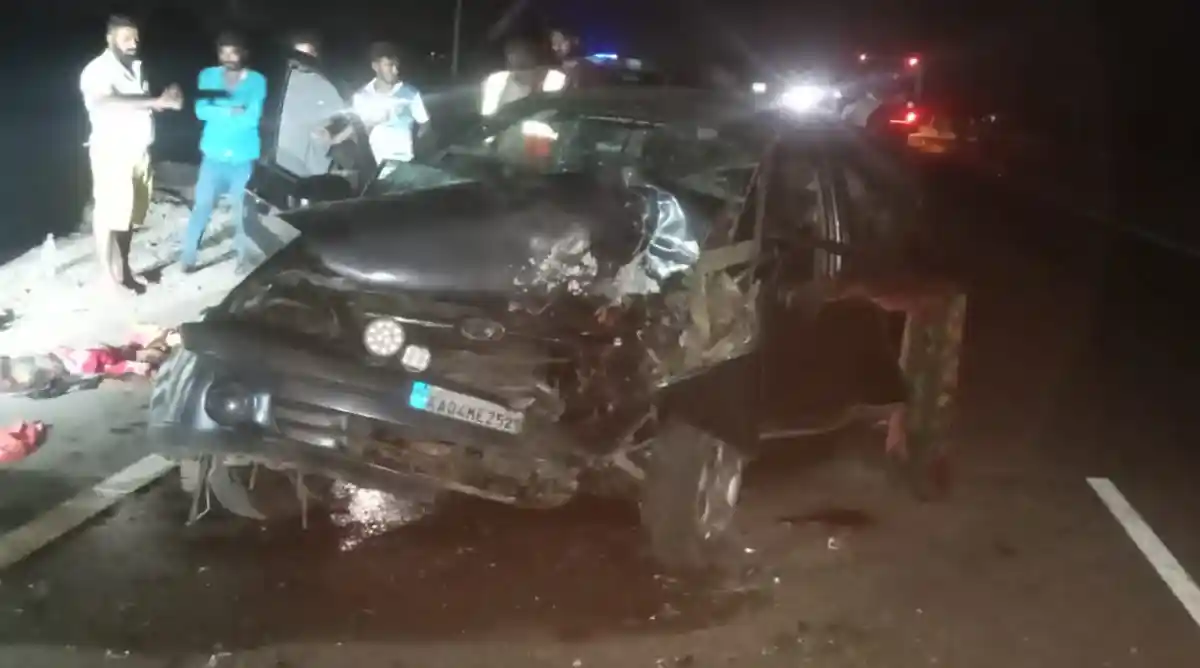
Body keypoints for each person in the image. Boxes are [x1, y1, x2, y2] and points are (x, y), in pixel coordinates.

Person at [79, 14, 183, 296]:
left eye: (135, 38)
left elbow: (139, 104)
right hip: (112, 152)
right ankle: (107, 277)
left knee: (128, 217)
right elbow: (105, 102)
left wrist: (165, 100)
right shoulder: (97, 70)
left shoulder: (137, 67)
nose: (133, 43)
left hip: (140, 152)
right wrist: (154, 100)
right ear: (109, 38)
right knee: (108, 213)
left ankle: (122, 269)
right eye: (126, 38)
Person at [179, 30, 267, 275]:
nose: (228, 57)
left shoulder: (257, 80)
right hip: (213, 155)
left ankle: (244, 260)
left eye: (234, 52)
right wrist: (231, 109)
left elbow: (252, 117)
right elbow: (200, 111)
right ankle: (188, 258)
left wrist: (218, 108)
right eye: (223, 52)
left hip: (243, 157)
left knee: (242, 213)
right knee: (202, 206)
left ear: (244, 54)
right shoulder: (207, 75)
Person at [481, 38, 566, 116]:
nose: (514, 57)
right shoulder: (496, 81)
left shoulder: (557, 80)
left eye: (526, 50)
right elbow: (487, 119)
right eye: (511, 50)